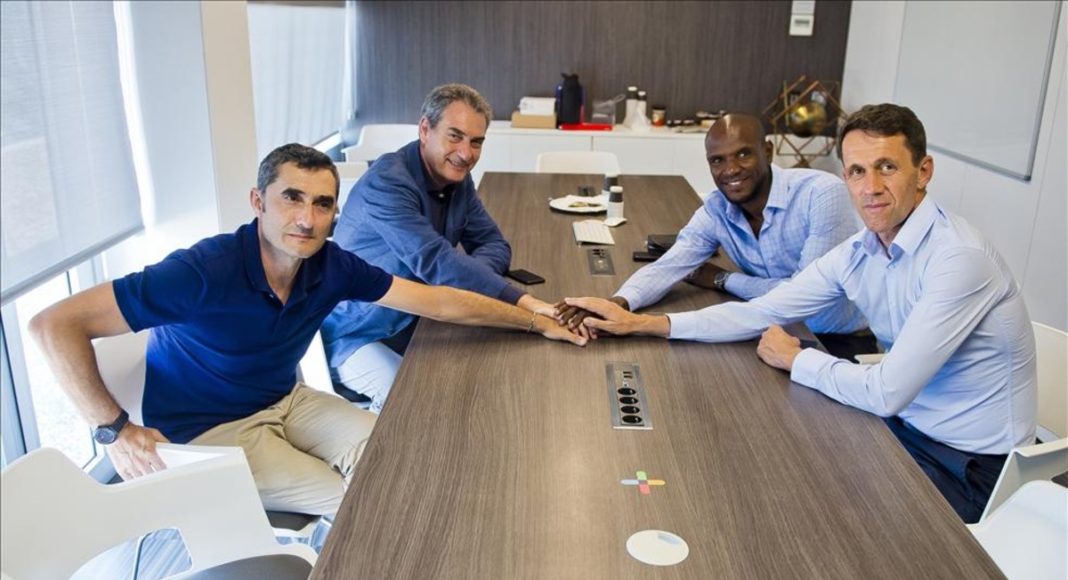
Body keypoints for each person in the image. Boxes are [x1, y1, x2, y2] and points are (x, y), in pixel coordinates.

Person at [30, 144, 585, 516]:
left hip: (286, 400)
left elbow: (438, 300)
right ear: (258, 202)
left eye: (322, 204)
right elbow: (53, 324)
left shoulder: (330, 264)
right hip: (204, 431)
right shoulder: (201, 271)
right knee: (354, 502)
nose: (306, 218)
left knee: (399, 456)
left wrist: (536, 322)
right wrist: (113, 429)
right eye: (292, 198)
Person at [563, 104, 1036, 523]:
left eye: (887, 167)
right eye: (857, 171)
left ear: (924, 171)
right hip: (905, 429)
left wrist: (797, 359)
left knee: (815, 511)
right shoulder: (862, 249)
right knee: (777, 472)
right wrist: (641, 323)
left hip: (971, 466)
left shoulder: (958, 259)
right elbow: (762, 311)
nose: (870, 188)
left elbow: (886, 392)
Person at [555, 113, 872, 360]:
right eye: (717, 160)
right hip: (767, 328)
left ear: (767, 151)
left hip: (834, 341)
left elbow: (803, 298)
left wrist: (724, 280)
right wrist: (617, 303)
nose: (730, 169)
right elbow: (669, 266)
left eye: (743, 155)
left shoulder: (821, 194)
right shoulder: (717, 208)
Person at [324, 84, 556, 413]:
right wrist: (524, 301)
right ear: (425, 129)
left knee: (485, 378)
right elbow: (437, 262)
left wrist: (465, 279)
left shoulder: (457, 180)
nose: (466, 153)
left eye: (476, 142)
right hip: (358, 332)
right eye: (455, 136)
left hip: (422, 319)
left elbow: (492, 243)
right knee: (408, 403)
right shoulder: (387, 182)